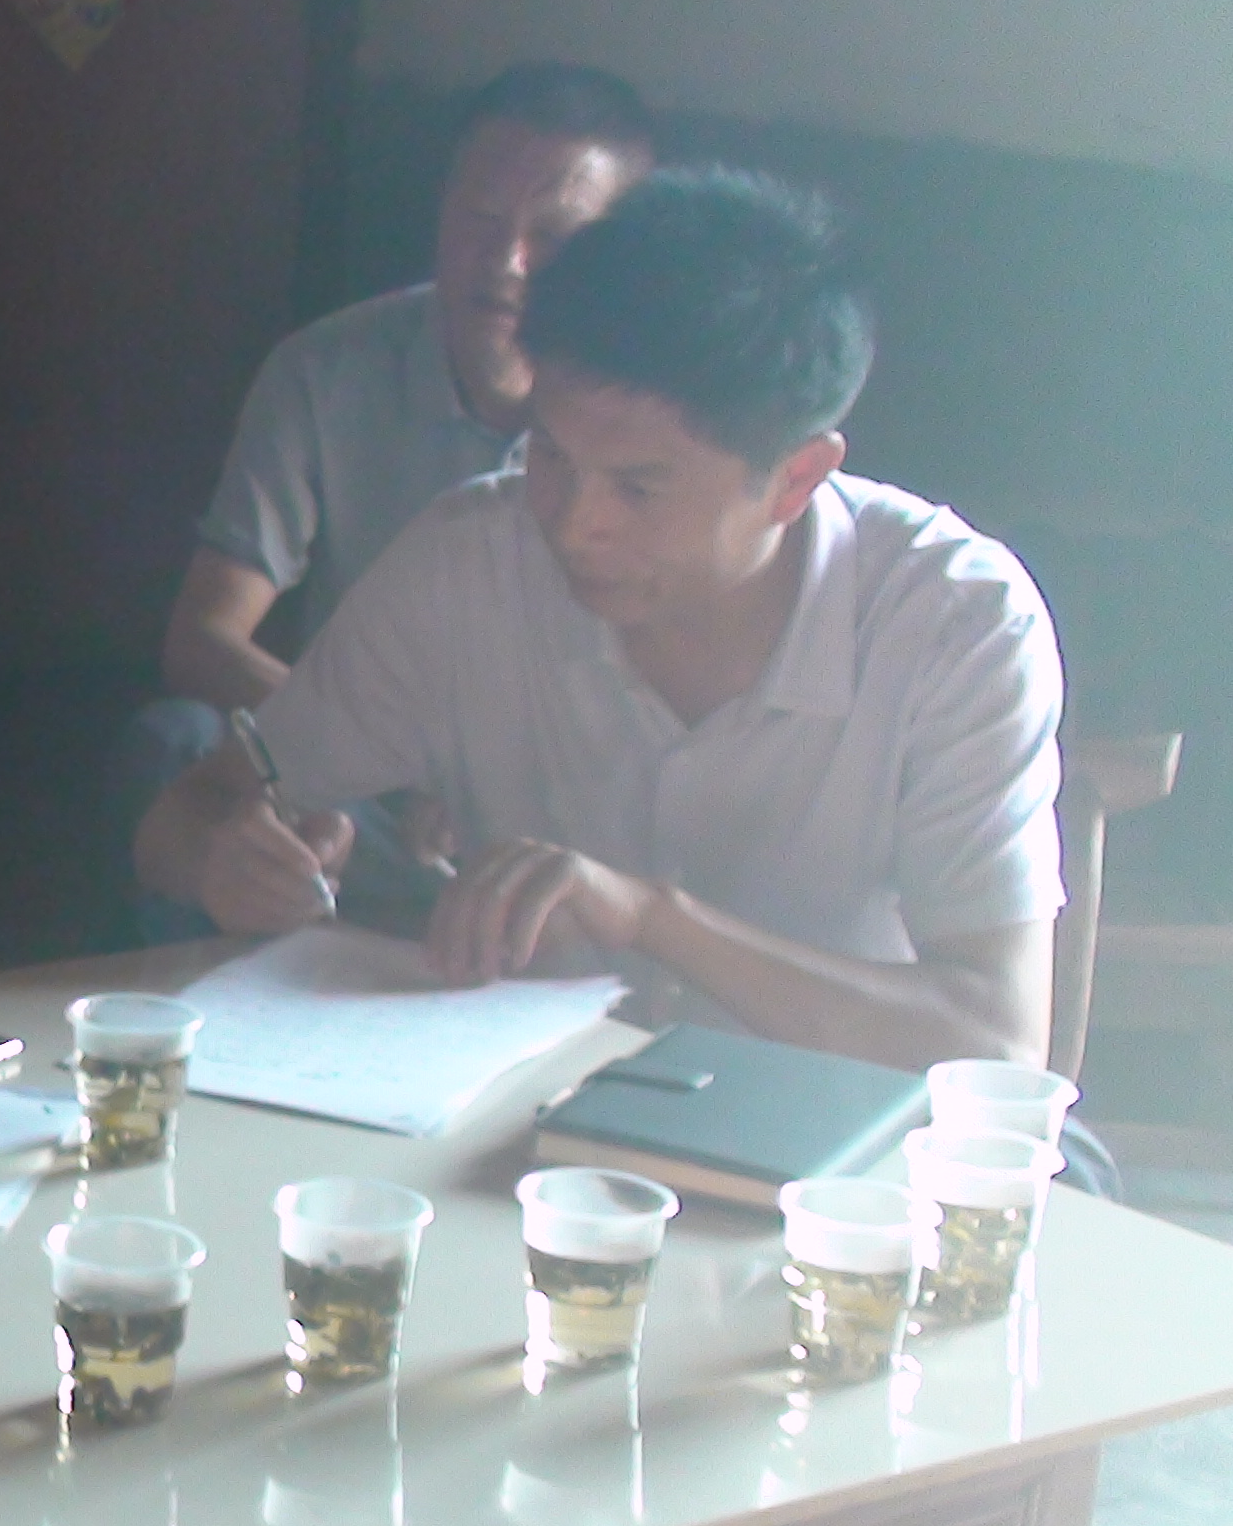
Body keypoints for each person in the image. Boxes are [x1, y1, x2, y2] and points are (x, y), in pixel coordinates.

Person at [132, 166, 1065, 1071]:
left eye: (639, 487)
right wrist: (223, 860)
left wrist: (651, 918)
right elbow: (184, 818)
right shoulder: (471, 563)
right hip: (523, 1122)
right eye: (550, 456)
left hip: (834, 1144)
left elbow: (995, 1040)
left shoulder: (953, 624)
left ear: (795, 480)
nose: (575, 524)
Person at [159, 62, 655, 710]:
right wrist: (361, 744)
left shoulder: (665, 415)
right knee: (174, 736)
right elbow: (202, 639)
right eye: (480, 217)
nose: (506, 261)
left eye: (551, 236)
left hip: (552, 763)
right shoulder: (324, 371)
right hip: (345, 739)